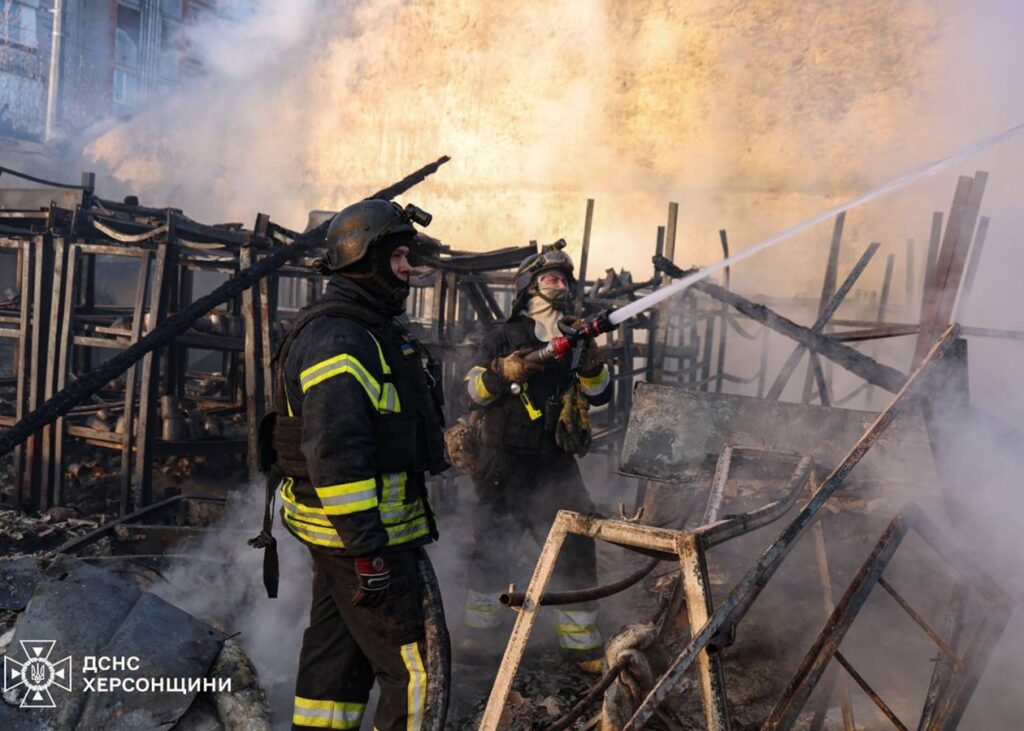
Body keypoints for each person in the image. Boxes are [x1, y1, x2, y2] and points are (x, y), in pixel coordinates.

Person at [254, 199, 449, 731]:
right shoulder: (341, 340)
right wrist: (368, 551)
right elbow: (336, 457)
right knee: (416, 672)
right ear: (364, 259)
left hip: (347, 537)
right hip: (364, 537)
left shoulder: (365, 329)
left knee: (336, 663)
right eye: (400, 256)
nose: (409, 268)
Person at [461, 243, 611, 670]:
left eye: (565, 279)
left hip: (555, 463)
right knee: (492, 544)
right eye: (551, 278)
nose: (560, 285)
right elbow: (470, 390)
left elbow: (600, 395)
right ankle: (480, 634)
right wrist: (499, 372)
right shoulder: (501, 337)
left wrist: (592, 363)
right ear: (529, 286)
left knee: (575, 545)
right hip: (503, 461)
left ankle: (581, 645)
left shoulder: (576, 337)